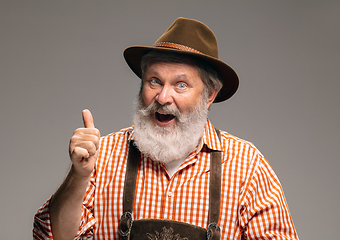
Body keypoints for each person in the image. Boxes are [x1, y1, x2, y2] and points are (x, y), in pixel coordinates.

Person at [33, 17, 298, 240]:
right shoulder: (102, 157)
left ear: (209, 94)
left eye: (181, 85)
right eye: (154, 81)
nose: (163, 97)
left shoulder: (247, 167)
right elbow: (55, 237)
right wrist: (78, 176)